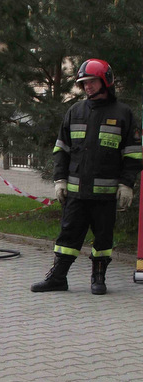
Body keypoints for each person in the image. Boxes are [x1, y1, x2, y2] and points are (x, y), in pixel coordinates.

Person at [31, 59, 142, 295]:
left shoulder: (123, 114)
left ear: (105, 81)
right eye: (84, 83)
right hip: (76, 192)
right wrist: (60, 180)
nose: (87, 87)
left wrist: (126, 185)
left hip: (105, 195)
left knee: (103, 239)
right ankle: (58, 278)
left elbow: (133, 154)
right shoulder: (75, 111)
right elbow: (61, 149)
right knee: (67, 236)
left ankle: (98, 278)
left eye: (91, 81)